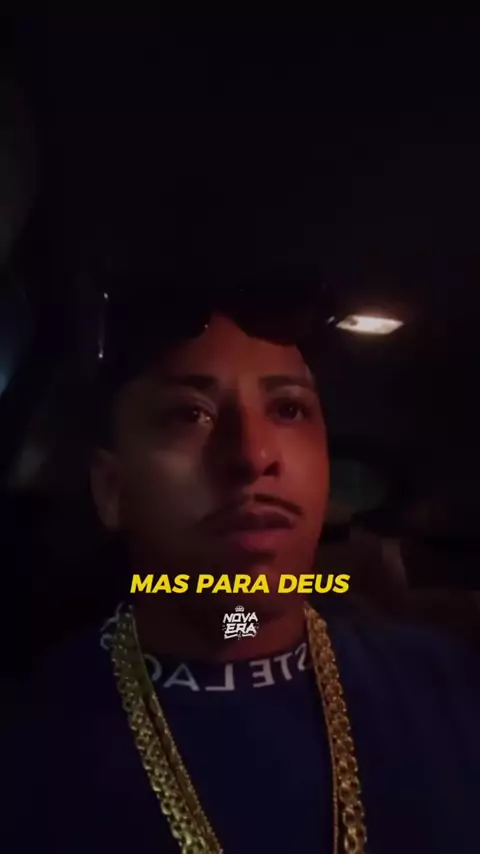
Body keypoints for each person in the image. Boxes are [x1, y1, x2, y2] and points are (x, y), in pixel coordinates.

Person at [4, 279, 480, 854]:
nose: (253, 455)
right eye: (190, 413)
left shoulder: (449, 686)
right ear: (112, 490)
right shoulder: (29, 747)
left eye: (288, 408)